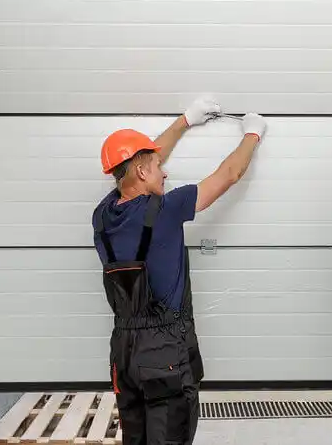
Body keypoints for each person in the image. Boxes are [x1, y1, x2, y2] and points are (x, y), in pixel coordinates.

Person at [91, 97, 267, 445]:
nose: (165, 171)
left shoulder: (103, 215)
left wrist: (185, 121)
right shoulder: (168, 209)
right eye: (158, 166)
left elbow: (139, 165)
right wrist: (252, 134)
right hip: (164, 352)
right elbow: (230, 174)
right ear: (142, 172)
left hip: (124, 353)